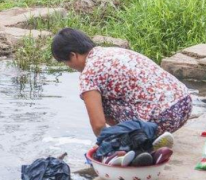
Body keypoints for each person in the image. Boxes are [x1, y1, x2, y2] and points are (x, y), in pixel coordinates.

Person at [51, 28, 191, 139]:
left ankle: (136, 139)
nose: (70, 67)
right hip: (184, 104)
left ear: (73, 55)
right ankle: (149, 136)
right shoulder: (114, 51)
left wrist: (107, 144)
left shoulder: (88, 74)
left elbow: (98, 126)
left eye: (66, 62)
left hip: (161, 118)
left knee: (99, 103)